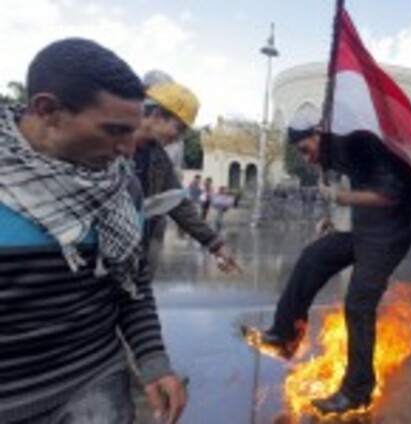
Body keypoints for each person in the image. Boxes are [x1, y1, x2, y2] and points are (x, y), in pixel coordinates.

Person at [0, 38, 184, 424]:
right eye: (114, 130)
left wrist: (153, 360)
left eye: (131, 131)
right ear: (47, 111)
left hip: (96, 386)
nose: (128, 150)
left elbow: (132, 284)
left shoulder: (122, 186)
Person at [245, 108, 411, 415]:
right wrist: (330, 217)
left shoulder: (362, 144)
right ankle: (285, 335)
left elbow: (392, 194)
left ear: (319, 134)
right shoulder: (334, 152)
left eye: (305, 149)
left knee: (358, 304)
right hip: (365, 233)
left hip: (389, 238)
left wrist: (343, 198)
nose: (305, 158)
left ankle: (358, 391)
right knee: (313, 256)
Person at [132, 82, 239, 276]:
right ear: (156, 115)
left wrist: (216, 244)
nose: (179, 138)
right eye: (179, 128)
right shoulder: (109, 145)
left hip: (135, 255)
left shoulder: (158, 158)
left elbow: (178, 203)